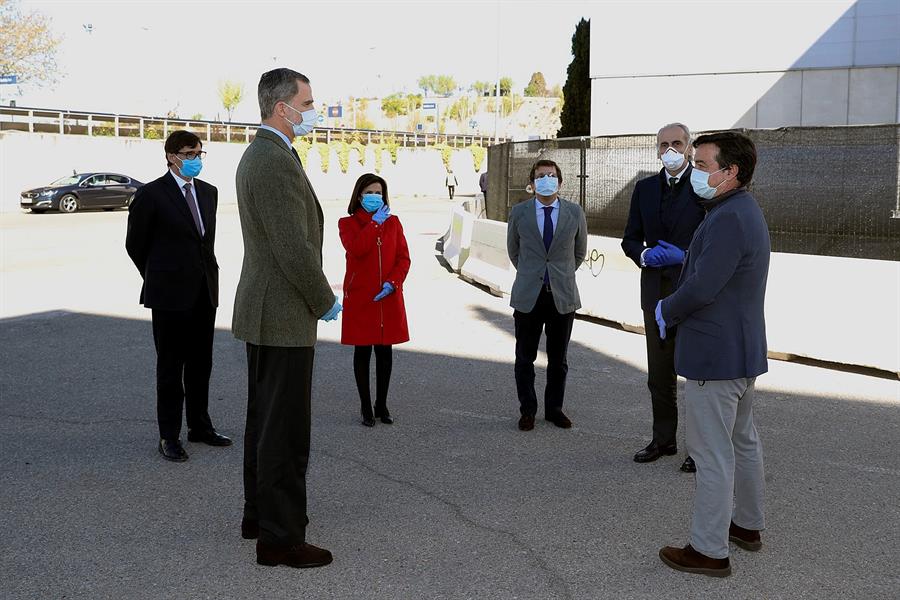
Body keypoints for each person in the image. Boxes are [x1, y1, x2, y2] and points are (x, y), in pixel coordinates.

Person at [232, 68, 341, 569]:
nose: (314, 110)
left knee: (264, 423)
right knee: (285, 431)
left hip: (267, 310)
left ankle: (259, 514)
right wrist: (323, 300)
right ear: (283, 108)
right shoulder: (272, 160)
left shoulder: (267, 153)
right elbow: (292, 248)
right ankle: (280, 538)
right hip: (281, 312)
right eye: (309, 102)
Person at [656, 131, 769, 578]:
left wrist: (667, 307)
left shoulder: (728, 217)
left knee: (711, 453)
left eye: (702, 165)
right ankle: (746, 526)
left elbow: (703, 285)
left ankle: (708, 550)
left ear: (730, 172)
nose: (694, 171)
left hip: (715, 355)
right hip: (738, 351)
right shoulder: (739, 210)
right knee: (743, 442)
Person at [125, 130, 231, 462]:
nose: (196, 159)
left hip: (204, 291)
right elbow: (135, 244)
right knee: (171, 367)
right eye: (189, 153)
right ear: (172, 156)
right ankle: (168, 436)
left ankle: (200, 426)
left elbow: (204, 243)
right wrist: (159, 275)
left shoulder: (209, 193)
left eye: (199, 153)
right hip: (169, 294)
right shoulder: (151, 194)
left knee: (201, 364)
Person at [622, 123, 705, 473]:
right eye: (664, 145)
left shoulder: (703, 187)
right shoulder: (644, 189)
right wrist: (642, 255)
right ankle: (663, 439)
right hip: (655, 292)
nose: (670, 150)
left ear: (689, 147)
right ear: (657, 150)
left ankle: (700, 450)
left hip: (694, 290)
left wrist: (685, 255)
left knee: (699, 373)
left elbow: (714, 239)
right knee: (659, 372)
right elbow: (629, 238)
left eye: (677, 143)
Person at [506, 159, 587, 431]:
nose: (546, 179)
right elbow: (514, 252)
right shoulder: (519, 212)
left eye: (551, 175)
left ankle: (554, 409)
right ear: (532, 183)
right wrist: (534, 274)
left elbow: (578, 253)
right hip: (529, 294)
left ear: (560, 183)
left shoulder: (575, 213)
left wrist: (559, 274)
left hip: (561, 296)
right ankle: (527, 410)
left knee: (558, 359)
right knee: (524, 358)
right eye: (541, 176)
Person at [339, 173, 411, 427]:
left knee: (385, 352)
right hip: (361, 297)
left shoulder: (395, 223)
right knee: (362, 351)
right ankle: (365, 406)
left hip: (388, 297)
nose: (374, 197)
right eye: (369, 193)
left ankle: (382, 403)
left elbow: (403, 258)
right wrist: (374, 225)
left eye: (378, 192)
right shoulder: (347, 224)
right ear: (359, 196)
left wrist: (393, 282)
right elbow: (357, 249)